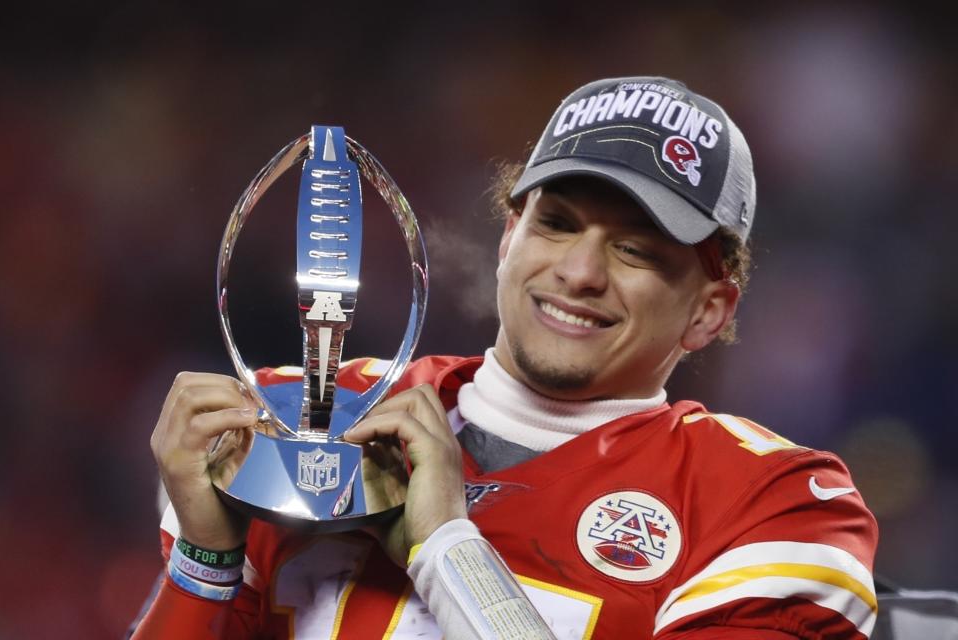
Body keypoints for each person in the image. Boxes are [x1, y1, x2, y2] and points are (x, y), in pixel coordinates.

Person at [131, 76, 879, 639]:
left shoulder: (772, 505)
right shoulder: (305, 420)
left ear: (709, 310)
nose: (580, 272)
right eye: (555, 224)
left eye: (635, 250)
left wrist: (446, 548)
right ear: (508, 238)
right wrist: (204, 559)